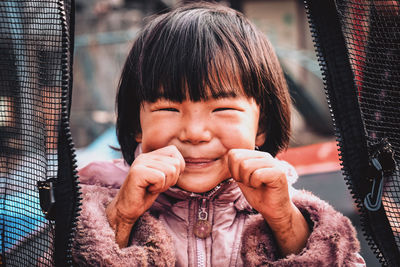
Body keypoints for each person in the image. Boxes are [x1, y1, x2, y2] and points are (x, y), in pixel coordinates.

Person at [72, 2, 366, 266]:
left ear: (261, 127)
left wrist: (284, 221)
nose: (195, 133)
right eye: (169, 109)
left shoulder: (288, 208)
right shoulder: (95, 204)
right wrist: (121, 217)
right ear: (137, 124)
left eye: (222, 108)